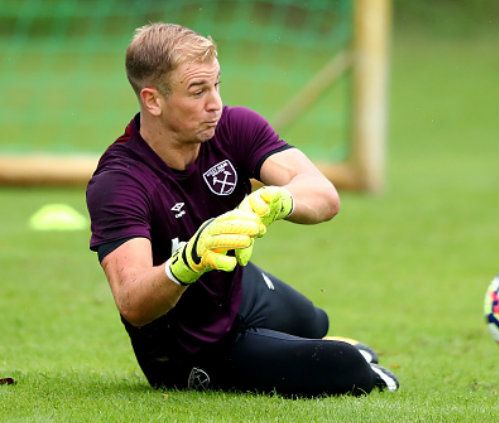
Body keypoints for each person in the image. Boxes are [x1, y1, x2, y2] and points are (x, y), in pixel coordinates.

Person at [86, 22, 398, 396]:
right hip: (189, 346)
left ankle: (287, 344)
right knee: (347, 369)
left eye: (216, 85)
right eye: (197, 91)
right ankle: (336, 358)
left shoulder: (233, 127)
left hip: (234, 289)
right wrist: (189, 262)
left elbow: (324, 196)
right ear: (152, 100)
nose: (214, 102)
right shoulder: (119, 182)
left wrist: (282, 200)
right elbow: (134, 302)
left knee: (313, 321)